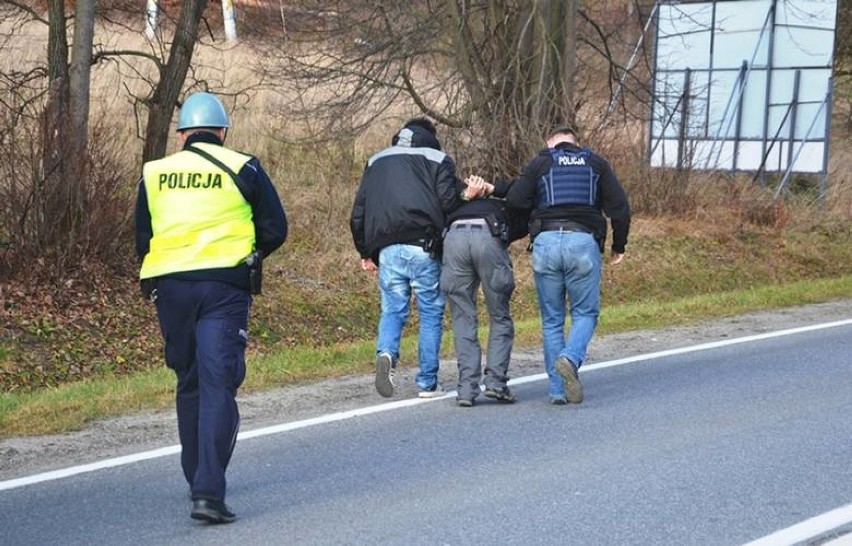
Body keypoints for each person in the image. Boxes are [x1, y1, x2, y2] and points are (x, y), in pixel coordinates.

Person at [134, 91, 287, 524]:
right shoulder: (244, 166)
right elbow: (276, 228)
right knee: (219, 383)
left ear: (182, 133)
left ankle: (194, 477)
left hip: (171, 289)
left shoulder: (155, 172)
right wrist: (250, 254)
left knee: (189, 380)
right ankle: (208, 493)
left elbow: (142, 237)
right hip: (224, 287)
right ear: (222, 132)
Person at [350, 117, 478, 399]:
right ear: (430, 135)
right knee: (431, 313)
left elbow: (359, 211)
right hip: (423, 246)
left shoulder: (376, 161)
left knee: (393, 309)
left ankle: (386, 352)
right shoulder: (437, 158)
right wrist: (466, 196)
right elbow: (448, 201)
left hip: (387, 249)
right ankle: (427, 383)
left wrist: (365, 252)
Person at [505, 125, 630, 405]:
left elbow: (515, 199)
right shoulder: (596, 163)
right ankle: (570, 358)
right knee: (585, 313)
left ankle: (557, 390)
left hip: (546, 243)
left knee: (552, 320)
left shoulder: (541, 162)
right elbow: (620, 207)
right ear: (575, 143)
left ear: (551, 142)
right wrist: (618, 246)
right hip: (583, 242)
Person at [440, 176, 529, 407]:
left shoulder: (460, 203)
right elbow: (522, 198)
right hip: (489, 233)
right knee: (499, 315)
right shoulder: (509, 206)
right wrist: (495, 188)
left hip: (453, 236)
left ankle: (466, 389)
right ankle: (496, 383)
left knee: (462, 316)